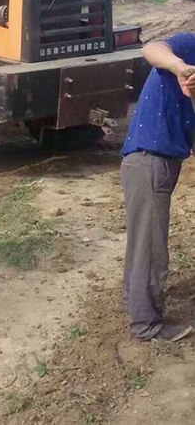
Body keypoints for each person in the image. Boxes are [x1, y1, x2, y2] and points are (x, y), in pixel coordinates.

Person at [120, 33, 195, 342]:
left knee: (143, 243)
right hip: (150, 162)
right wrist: (180, 67)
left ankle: (135, 300)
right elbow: (150, 48)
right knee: (150, 250)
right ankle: (146, 325)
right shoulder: (187, 48)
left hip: (157, 164)